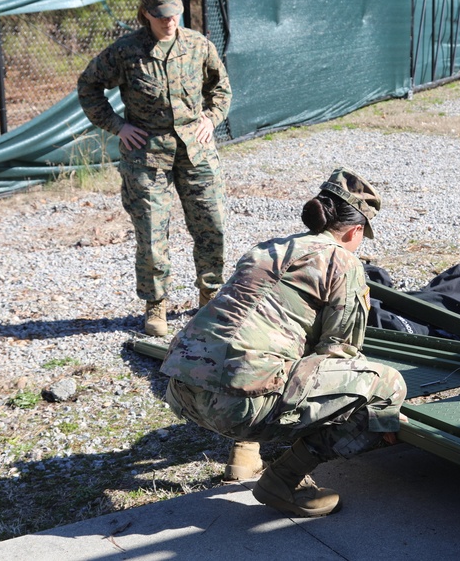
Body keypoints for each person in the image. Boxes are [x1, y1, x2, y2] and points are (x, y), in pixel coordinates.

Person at [160, 168, 408, 517]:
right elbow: (340, 353)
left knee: (275, 359)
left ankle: (245, 453)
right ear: (355, 230)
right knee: (386, 385)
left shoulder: (268, 249)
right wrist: (380, 419)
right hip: (238, 406)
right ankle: (285, 478)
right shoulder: (343, 261)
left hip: (182, 390)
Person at [77, 0, 231, 336]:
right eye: (161, 15)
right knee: (150, 234)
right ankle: (156, 304)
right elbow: (89, 86)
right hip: (147, 156)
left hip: (196, 150)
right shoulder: (125, 52)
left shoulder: (197, 45)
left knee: (212, 225)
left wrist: (210, 118)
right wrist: (118, 127)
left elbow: (221, 88)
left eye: (174, 14)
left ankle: (210, 296)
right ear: (145, 13)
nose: (169, 21)